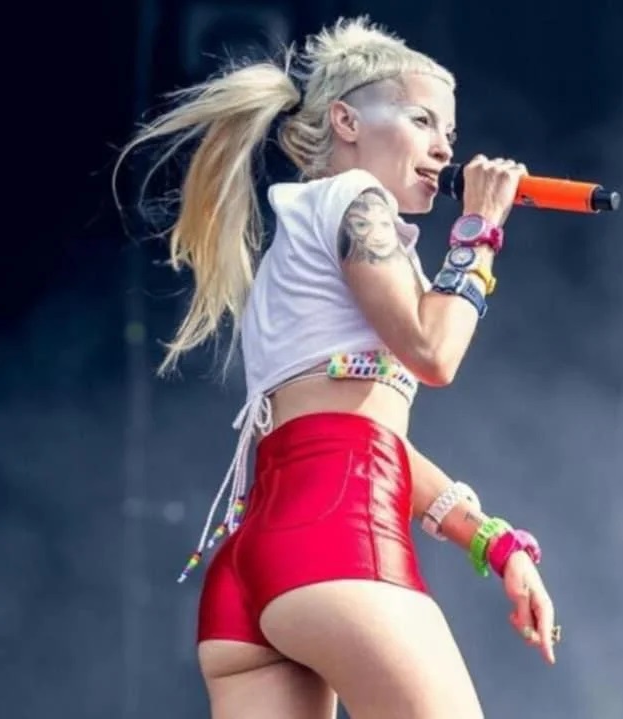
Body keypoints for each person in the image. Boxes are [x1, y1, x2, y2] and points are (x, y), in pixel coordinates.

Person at [116, 15, 559, 719]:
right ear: (347, 121)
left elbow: (357, 434)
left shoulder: (306, 238)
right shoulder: (355, 200)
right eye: (421, 120)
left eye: (449, 130)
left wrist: (495, 541)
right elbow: (434, 353)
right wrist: (479, 232)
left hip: (253, 570)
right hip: (335, 539)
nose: (445, 146)